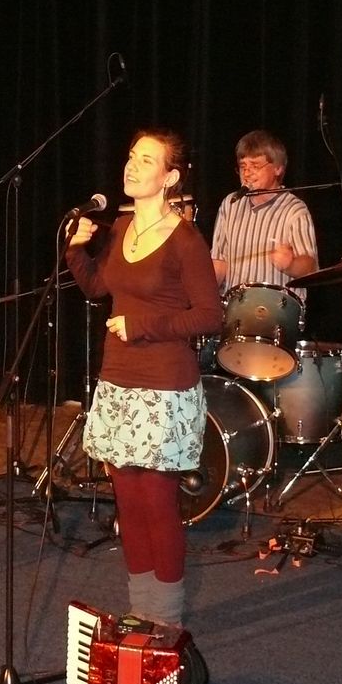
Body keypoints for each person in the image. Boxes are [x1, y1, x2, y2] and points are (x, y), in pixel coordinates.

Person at [66, 129, 222, 626]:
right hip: (118, 380)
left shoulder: (185, 240)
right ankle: (140, 611)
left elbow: (209, 316)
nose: (131, 166)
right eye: (131, 156)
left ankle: (166, 620)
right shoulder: (119, 227)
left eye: (146, 160)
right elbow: (98, 287)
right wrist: (76, 252)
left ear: (170, 177)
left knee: (157, 502)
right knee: (128, 503)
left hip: (164, 385)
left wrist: (143, 325)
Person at [210, 129, 318, 291]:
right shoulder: (230, 204)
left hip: (277, 305)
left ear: (278, 168)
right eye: (243, 166)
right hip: (235, 304)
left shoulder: (294, 210)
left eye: (255, 165)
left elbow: (310, 267)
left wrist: (290, 264)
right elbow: (219, 263)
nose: (247, 173)